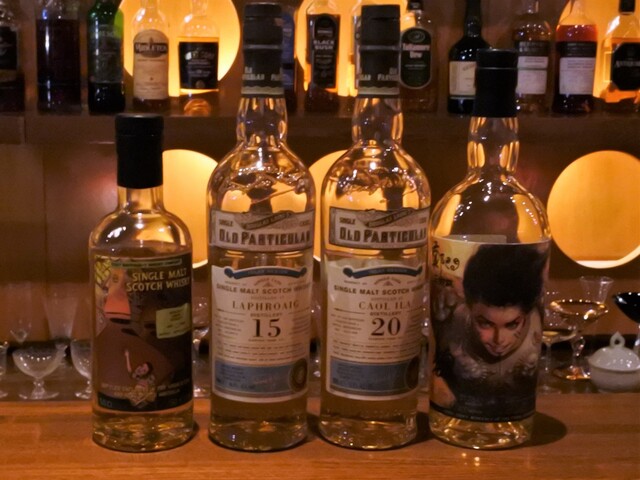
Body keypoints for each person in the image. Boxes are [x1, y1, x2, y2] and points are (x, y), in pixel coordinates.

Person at [431, 243, 548, 421]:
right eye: (485, 323)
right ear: (468, 304)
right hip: (454, 421)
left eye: (512, 324)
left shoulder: (536, 311)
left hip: (517, 422)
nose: (498, 340)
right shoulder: (450, 316)